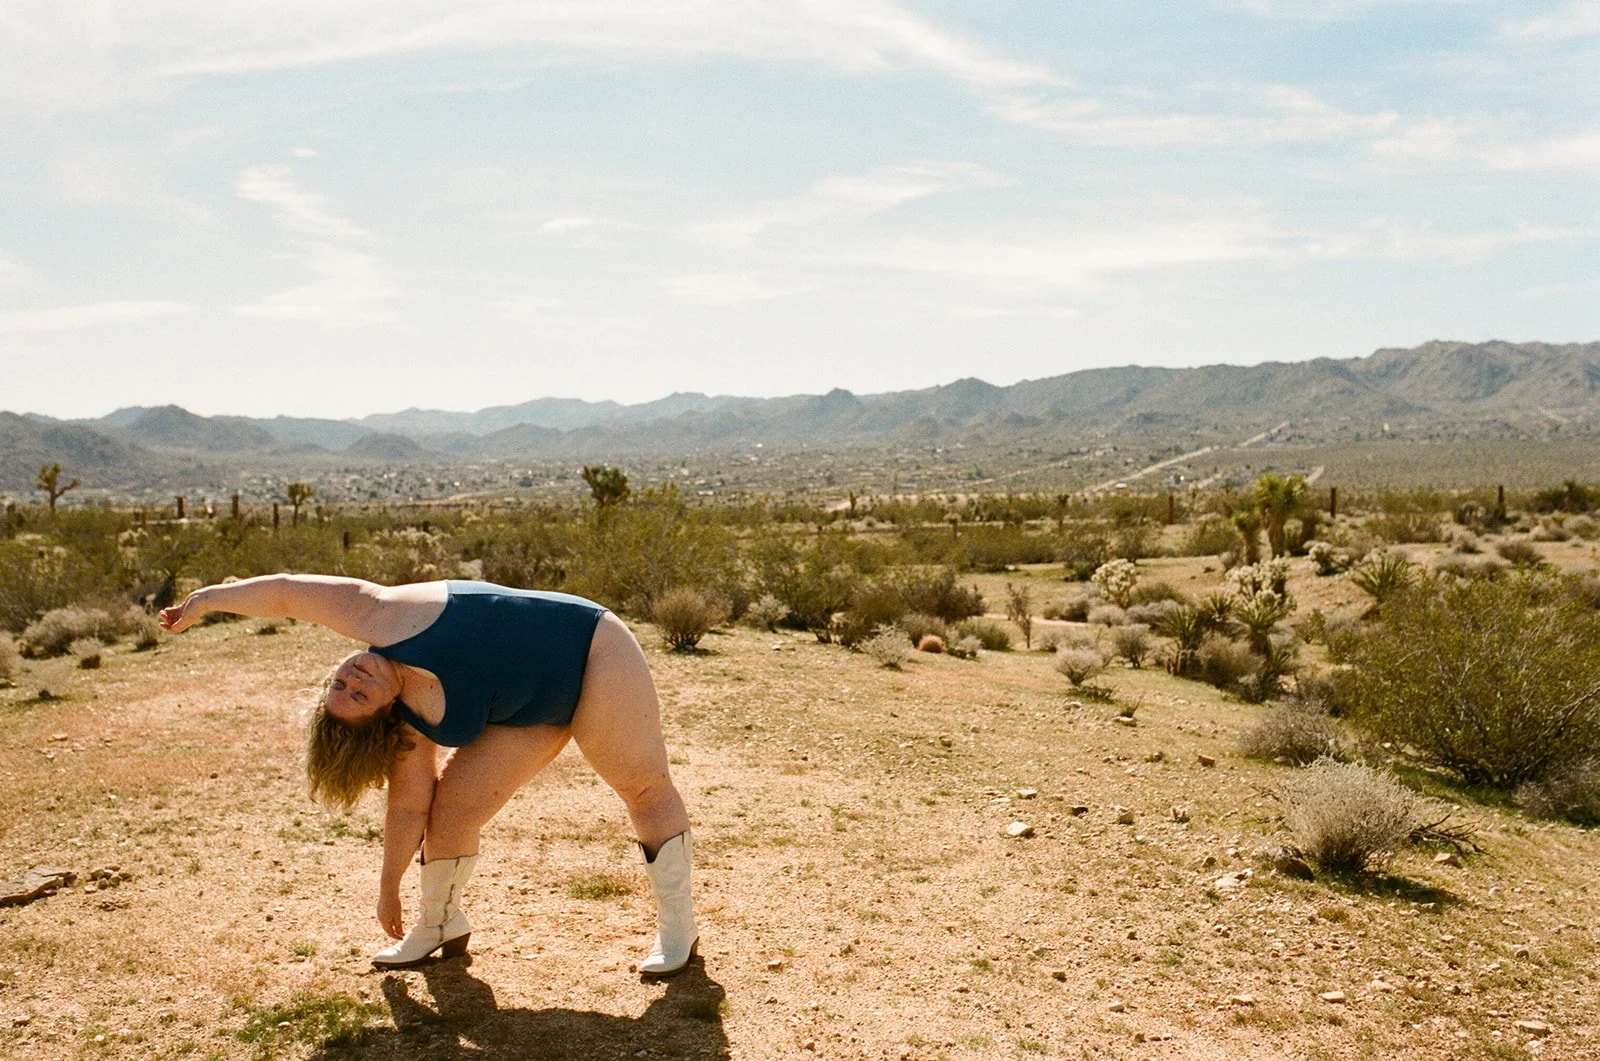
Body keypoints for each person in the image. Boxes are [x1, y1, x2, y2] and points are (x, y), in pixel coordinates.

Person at [158, 574, 698, 975]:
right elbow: (408, 808)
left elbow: (285, 593)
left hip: (593, 647)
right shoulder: (407, 727)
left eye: (341, 685)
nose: (352, 679)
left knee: (643, 788)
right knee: (451, 812)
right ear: (381, 719)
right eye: (359, 695)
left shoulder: (384, 618)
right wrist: (388, 888)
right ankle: (438, 923)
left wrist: (209, 600)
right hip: (528, 706)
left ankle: (679, 931)